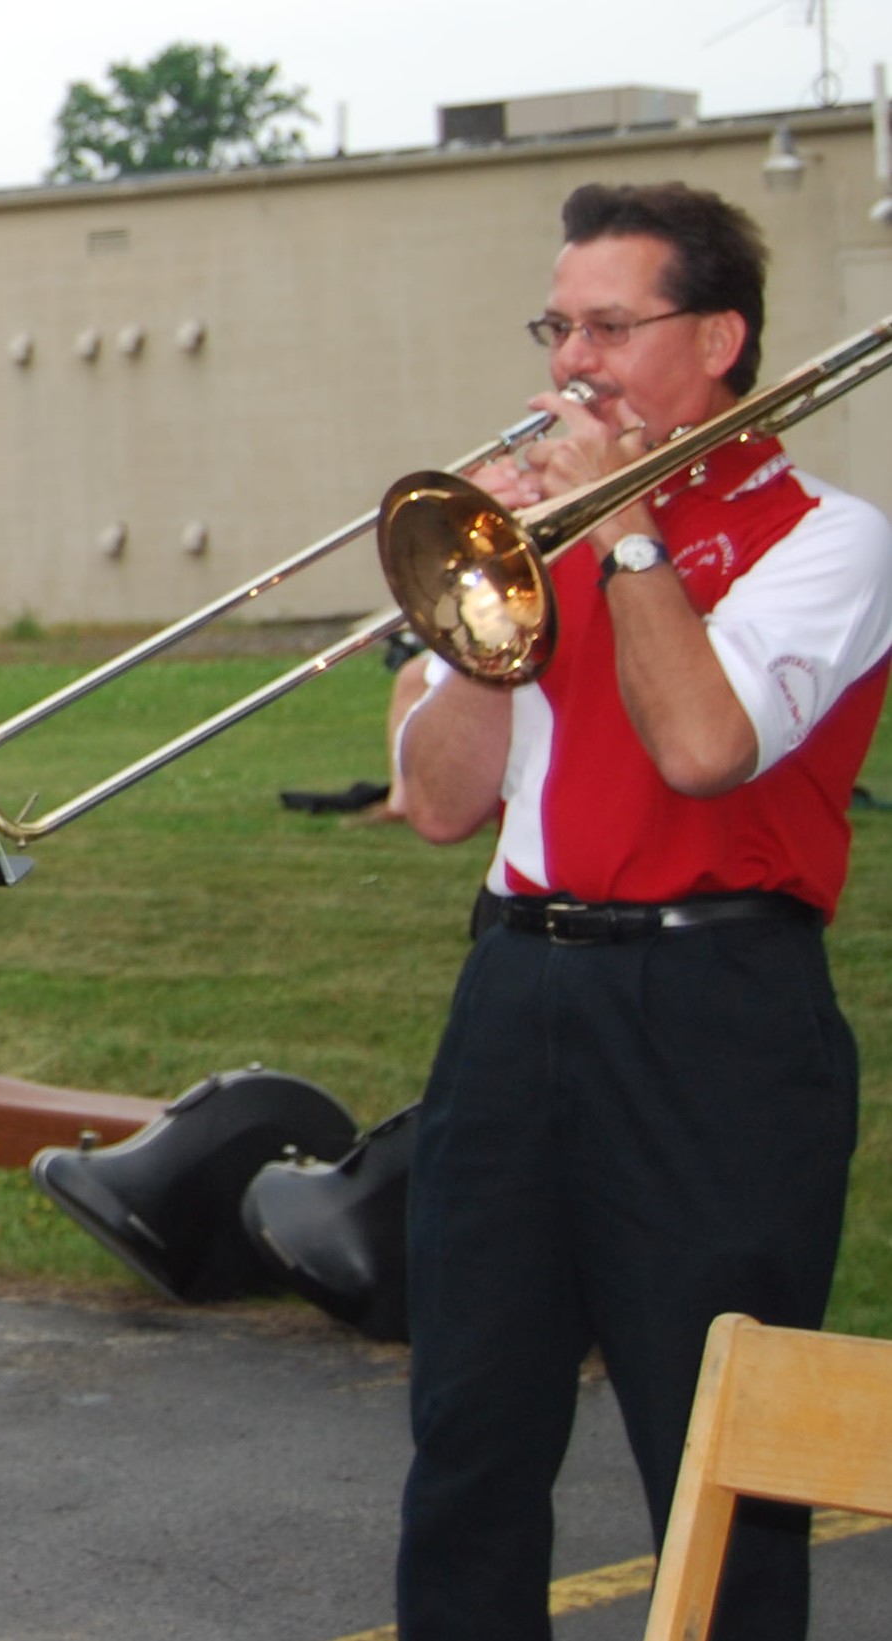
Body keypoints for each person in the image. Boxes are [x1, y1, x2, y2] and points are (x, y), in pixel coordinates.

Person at [387, 183, 892, 1641]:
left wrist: (628, 538)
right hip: (518, 993)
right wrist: (494, 603)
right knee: (470, 1431)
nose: (573, 363)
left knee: (720, 1460)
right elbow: (435, 804)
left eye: (614, 325)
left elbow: (705, 747)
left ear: (720, 336)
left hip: (714, 1013)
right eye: (560, 326)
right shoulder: (514, 530)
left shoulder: (827, 538)